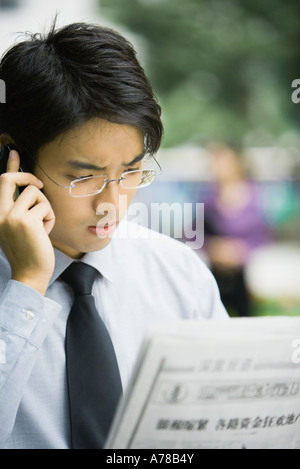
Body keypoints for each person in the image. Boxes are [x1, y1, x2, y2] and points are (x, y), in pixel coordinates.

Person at [0, 21, 227, 449]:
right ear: (12, 158)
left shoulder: (177, 274)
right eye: (83, 177)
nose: (112, 202)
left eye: (131, 172)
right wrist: (26, 286)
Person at [203, 142, 273, 317]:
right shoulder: (208, 198)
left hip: (248, 275)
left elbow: (265, 233)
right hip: (217, 274)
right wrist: (214, 248)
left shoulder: (256, 196)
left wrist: (241, 250)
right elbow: (194, 233)